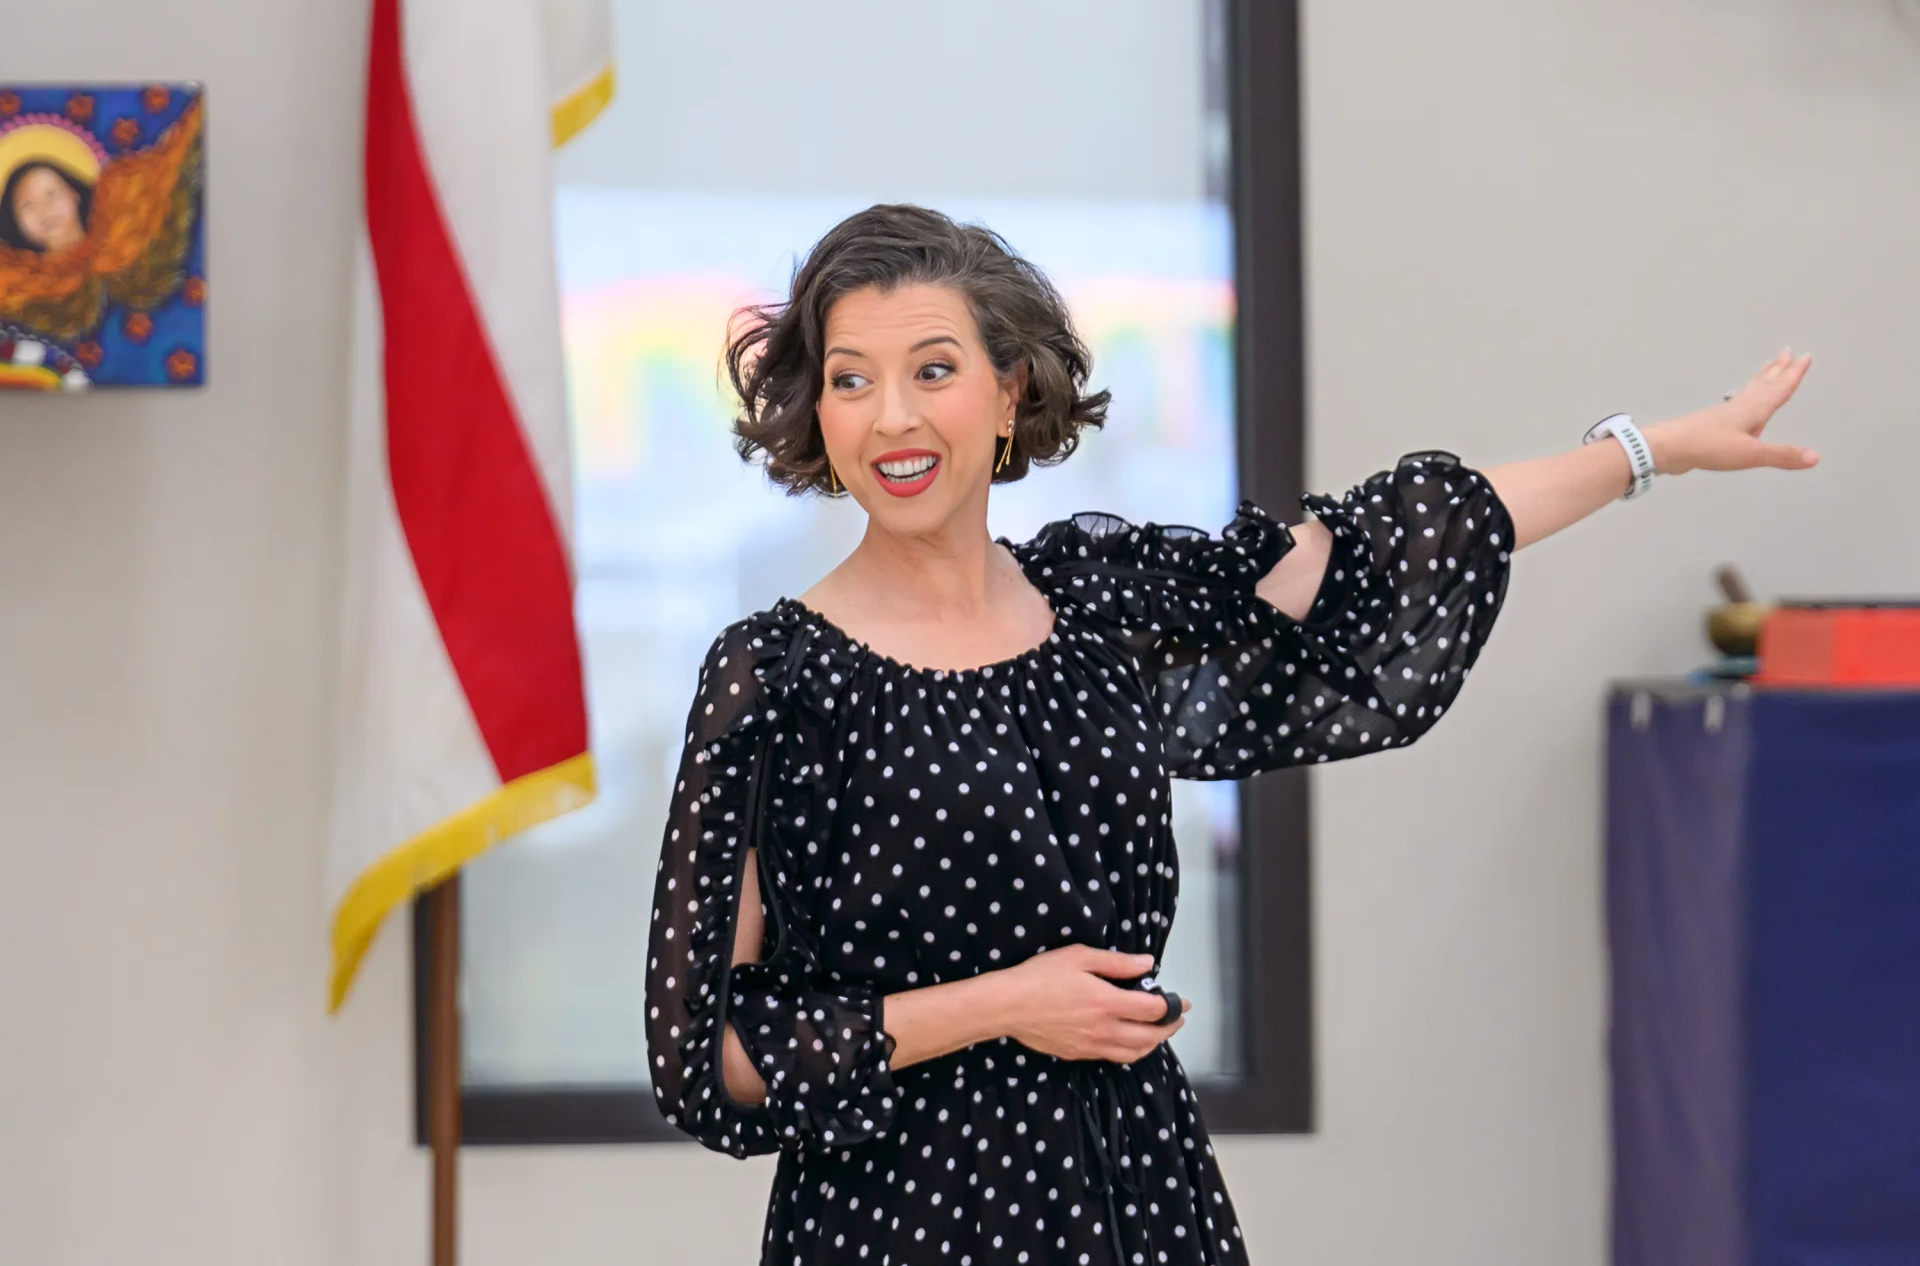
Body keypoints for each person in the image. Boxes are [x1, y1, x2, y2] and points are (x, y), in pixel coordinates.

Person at [644, 203, 1816, 1265]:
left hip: (1138, 1195)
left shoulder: (1100, 604)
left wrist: (1653, 450)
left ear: (1007, 394)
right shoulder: (777, 677)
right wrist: (1004, 1002)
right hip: (899, 1220)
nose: (892, 415)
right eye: (851, 379)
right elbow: (709, 1056)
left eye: (933, 369)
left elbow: (1380, 555)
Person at [0, 161, 93, 254]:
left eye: (50, 194)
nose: (43, 210)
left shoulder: (102, 246)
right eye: (28, 205)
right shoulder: (15, 262)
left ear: (75, 193)